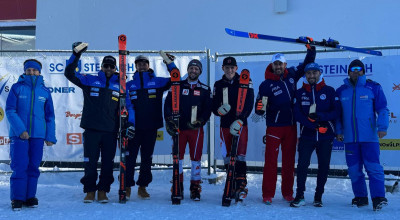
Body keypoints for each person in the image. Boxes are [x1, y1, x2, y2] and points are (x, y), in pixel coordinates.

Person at [254, 45, 316, 204]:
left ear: (285, 65)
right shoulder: (266, 84)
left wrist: (311, 50)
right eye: (276, 64)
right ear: (272, 65)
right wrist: (259, 108)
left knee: (289, 162)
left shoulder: (292, 75)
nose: (279, 67)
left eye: (281, 64)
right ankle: (267, 194)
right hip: (274, 127)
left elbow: (306, 64)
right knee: (271, 162)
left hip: (290, 126)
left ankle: (288, 192)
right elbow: (259, 106)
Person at [65, 42, 124, 203]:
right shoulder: (89, 80)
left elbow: (127, 108)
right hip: (91, 129)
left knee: (107, 163)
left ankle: (103, 190)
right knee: (90, 162)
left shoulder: (120, 85)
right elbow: (69, 73)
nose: (109, 69)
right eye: (106, 66)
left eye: (112, 66)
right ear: (102, 67)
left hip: (110, 131)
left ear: (115, 68)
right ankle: (90, 190)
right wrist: (76, 55)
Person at [335, 59, 389, 211]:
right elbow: (338, 115)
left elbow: (383, 109)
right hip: (350, 139)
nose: (356, 71)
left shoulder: (373, 87)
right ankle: (361, 197)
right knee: (353, 170)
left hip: (369, 138)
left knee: (373, 167)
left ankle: (378, 198)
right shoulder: (341, 91)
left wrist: (382, 127)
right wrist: (339, 131)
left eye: (359, 69)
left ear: (363, 71)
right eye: (353, 69)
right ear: (349, 72)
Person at [6, 59, 57, 211]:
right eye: (29, 70)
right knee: (20, 165)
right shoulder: (17, 88)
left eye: (35, 70)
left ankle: (30, 197)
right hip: (19, 134)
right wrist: (20, 130)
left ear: (39, 72)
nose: (32, 72)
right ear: (25, 71)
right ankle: (17, 198)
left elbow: (50, 116)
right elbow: (10, 110)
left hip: (38, 135)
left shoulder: (45, 91)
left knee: (33, 166)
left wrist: (50, 136)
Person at [163, 56, 212, 201]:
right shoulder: (177, 85)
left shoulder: (204, 89)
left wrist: (201, 121)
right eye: (191, 68)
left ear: (200, 72)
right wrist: (169, 121)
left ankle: (195, 187)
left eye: (196, 68)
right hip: (179, 129)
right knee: (177, 158)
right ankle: (178, 184)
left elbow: (208, 109)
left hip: (195, 129)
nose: (193, 70)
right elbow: (167, 104)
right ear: (188, 69)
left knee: (196, 159)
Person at [290, 62, 338, 208]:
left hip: (326, 137)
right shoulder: (299, 92)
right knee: (302, 165)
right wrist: (313, 125)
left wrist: (321, 116)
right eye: (308, 73)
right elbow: (297, 114)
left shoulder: (329, 91)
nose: (311, 75)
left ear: (320, 73)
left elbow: (336, 112)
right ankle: (300, 196)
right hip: (307, 136)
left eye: (314, 73)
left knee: (324, 166)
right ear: (305, 75)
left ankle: (318, 197)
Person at [125, 55, 170, 200]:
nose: (142, 66)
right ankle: (126, 186)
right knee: (130, 158)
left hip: (151, 127)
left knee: (146, 159)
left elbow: (175, 78)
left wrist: (170, 64)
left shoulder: (157, 82)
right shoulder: (129, 84)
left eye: (144, 63)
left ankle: (142, 187)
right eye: (139, 64)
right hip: (133, 128)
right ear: (136, 66)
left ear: (148, 65)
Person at [212, 56, 254, 200]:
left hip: (240, 124)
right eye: (227, 67)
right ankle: (230, 182)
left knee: (240, 155)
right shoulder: (218, 84)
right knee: (227, 156)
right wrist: (218, 111)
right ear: (222, 68)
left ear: (236, 68)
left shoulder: (244, 80)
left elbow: (249, 102)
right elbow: (214, 106)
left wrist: (241, 120)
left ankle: (241, 184)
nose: (230, 70)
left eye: (232, 68)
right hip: (225, 125)